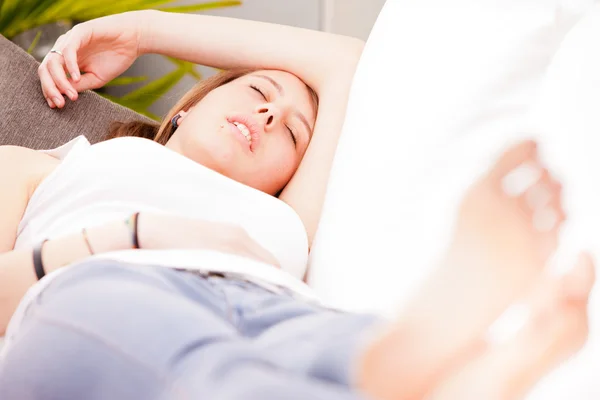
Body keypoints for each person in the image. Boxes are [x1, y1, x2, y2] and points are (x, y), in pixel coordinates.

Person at [0, 10, 594, 400]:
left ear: (286, 176)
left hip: (277, 304)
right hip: (105, 279)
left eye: (291, 132)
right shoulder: (43, 166)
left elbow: (345, 63)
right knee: (196, 370)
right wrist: (136, 235)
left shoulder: (286, 221)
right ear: (185, 106)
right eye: (259, 91)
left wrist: (145, 28)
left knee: (340, 345)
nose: (268, 115)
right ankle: (447, 374)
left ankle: (419, 363)